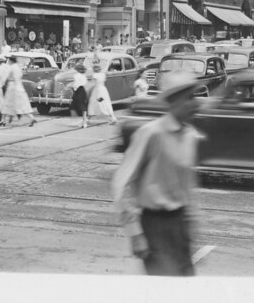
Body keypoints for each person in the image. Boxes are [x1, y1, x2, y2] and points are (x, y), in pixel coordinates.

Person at [112, 70, 204, 277]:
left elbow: (188, 187)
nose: (195, 103)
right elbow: (120, 184)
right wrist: (135, 234)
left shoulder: (190, 135)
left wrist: (191, 228)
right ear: (173, 101)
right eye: (189, 98)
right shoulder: (151, 133)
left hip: (179, 226)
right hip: (155, 227)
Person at [1, 55, 37, 127]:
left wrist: (3, 83)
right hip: (19, 86)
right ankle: (31, 118)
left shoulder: (11, 68)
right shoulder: (18, 67)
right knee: (22, 104)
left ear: (11, 61)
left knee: (7, 103)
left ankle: (3, 120)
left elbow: (6, 77)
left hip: (12, 86)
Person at [70, 60, 90, 127]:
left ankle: (80, 121)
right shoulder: (84, 76)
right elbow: (85, 83)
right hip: (82, 90)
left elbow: (76, 84)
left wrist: (74, 88)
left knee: (74, 104)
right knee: (82, 105)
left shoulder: (76, 75)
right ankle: (84, 121)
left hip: (78, 90)